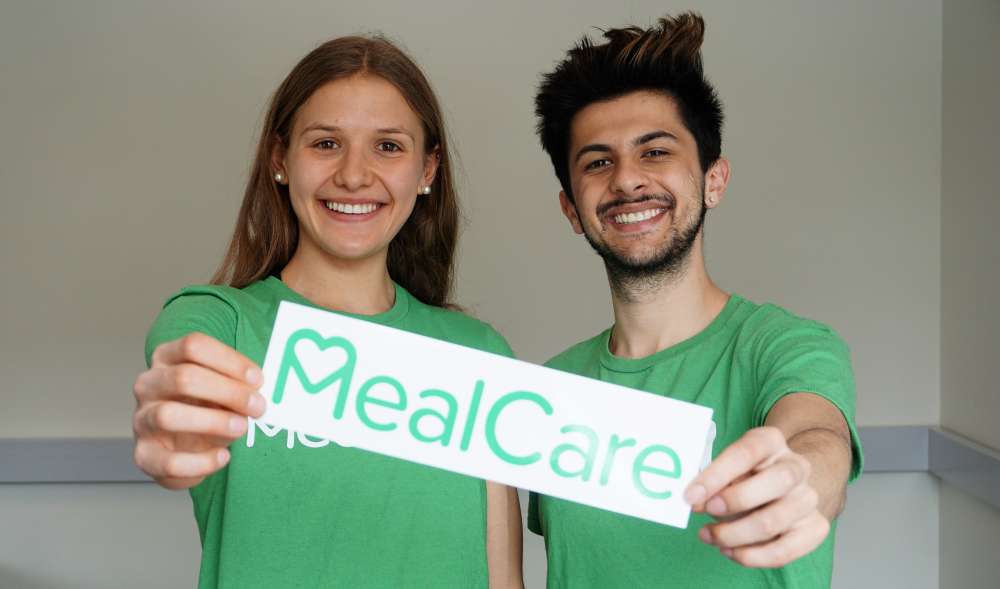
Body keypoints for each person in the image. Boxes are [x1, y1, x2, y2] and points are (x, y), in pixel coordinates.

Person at [132, 35, 523, 588]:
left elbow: (502, 578)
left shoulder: (478, 354)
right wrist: (170, 417)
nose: (354, 175)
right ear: (280, 160)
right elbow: (180, 364)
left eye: (388, 146)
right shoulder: (221, 322)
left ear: (427, 170)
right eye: (326, 143)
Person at [528, 13, 863, 588]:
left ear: (714, 180)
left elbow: (816, 436)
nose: (627, 180)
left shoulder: (787, 346)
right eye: (598, 162)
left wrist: (803, 475)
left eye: (655, 152)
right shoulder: (553, 387)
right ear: (571, 209)